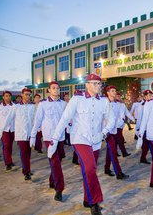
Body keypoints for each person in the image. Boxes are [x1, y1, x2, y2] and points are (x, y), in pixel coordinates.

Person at [48, 74, 115, 215]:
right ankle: (94, 202)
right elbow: (65, 118)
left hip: (96, 141)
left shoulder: (104, 101)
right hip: (80, 139)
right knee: (90, 168)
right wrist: (54, 139)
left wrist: (103, 133)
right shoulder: (77, 99)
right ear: (87, 85)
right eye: (95, 83)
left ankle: (87, 199)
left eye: (99, 83)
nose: (98, 86)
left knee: (89, 170)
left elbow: (111, 120)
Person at [30, 81, 66, 202]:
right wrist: (33, 135)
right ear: (49, 90)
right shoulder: (43, 104)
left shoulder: (63, 104)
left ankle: (52, 180)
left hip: (60, 136)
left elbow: (67, 119)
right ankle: (59, 189)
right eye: (53, 88)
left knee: (58, 160)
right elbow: (38, 120)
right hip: (49, 137)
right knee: (55, 161)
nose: (56, 90)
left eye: (57, 88)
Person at [0, 88, 35, 180]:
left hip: (30, 134)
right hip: (20, 134)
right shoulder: (16, 106)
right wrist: (1, 130)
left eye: (29, 95)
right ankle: (27, 172)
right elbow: (8, 118)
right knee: (24, 152)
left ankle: (26, 168)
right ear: (22, 95)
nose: (28, 96)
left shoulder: (32, 107)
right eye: (26, 94)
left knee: (28, 153)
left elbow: (35, 119)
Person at [104, 85, 129, 179]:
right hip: (107, 132)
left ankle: (106, 168)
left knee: (109, 150)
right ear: (108, 93)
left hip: (114, 130)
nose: (114, 92)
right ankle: (118, 173)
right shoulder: (104, 103)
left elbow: (118, 116)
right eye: (112, 91)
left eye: (115, 90)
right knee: (113, 151)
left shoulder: (116, 104)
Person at [0, 91, 15, 170]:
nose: (8, 97)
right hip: (3, 130)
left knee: (10, 146)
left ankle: (9, 160)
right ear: (3, 97)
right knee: (6, 145)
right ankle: (7, 163)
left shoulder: (14, 106)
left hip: (12, 129)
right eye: (6, 96)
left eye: (9, 96)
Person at [115, 92, 135, 157]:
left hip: (121, 125)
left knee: (117, 139)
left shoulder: (123, 105)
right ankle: (124, 153)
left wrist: (132, 119)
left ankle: (115, 152)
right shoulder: (113, 104)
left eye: (119, 96)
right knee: (120, 139)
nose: (118, 97)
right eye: (117, 96)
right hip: (115, 125)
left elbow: (127, 113)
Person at [137, 90, 153, 164]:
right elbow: (140, 118)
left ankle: (142, 158)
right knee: (150, 145)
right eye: (149, 95)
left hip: (151, 128)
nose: (150, 97)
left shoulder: (152, 104)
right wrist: (139, 129)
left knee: (146, 145)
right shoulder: (141, 106)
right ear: (145, 96)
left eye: (151, 95)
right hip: (145, 129)